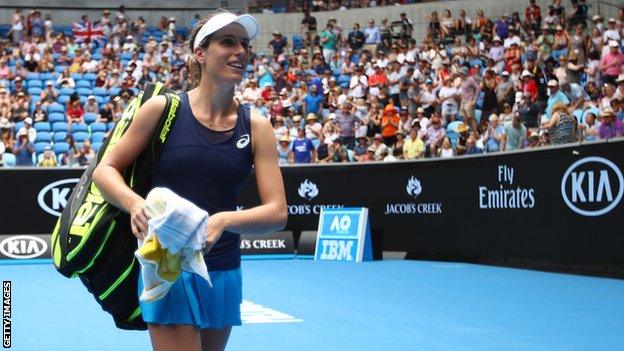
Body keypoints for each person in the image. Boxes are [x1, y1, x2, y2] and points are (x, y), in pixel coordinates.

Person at [92, 11, 287, 351]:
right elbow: (105, 170)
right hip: (166, 266)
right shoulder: (161, 109)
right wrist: (135, 204)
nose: (241, 50)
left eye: (244, 43)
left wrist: (225, 220)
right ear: (200, 53)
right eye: (228, 42)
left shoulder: (257, 126)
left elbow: (277, 213)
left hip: (224, 270)